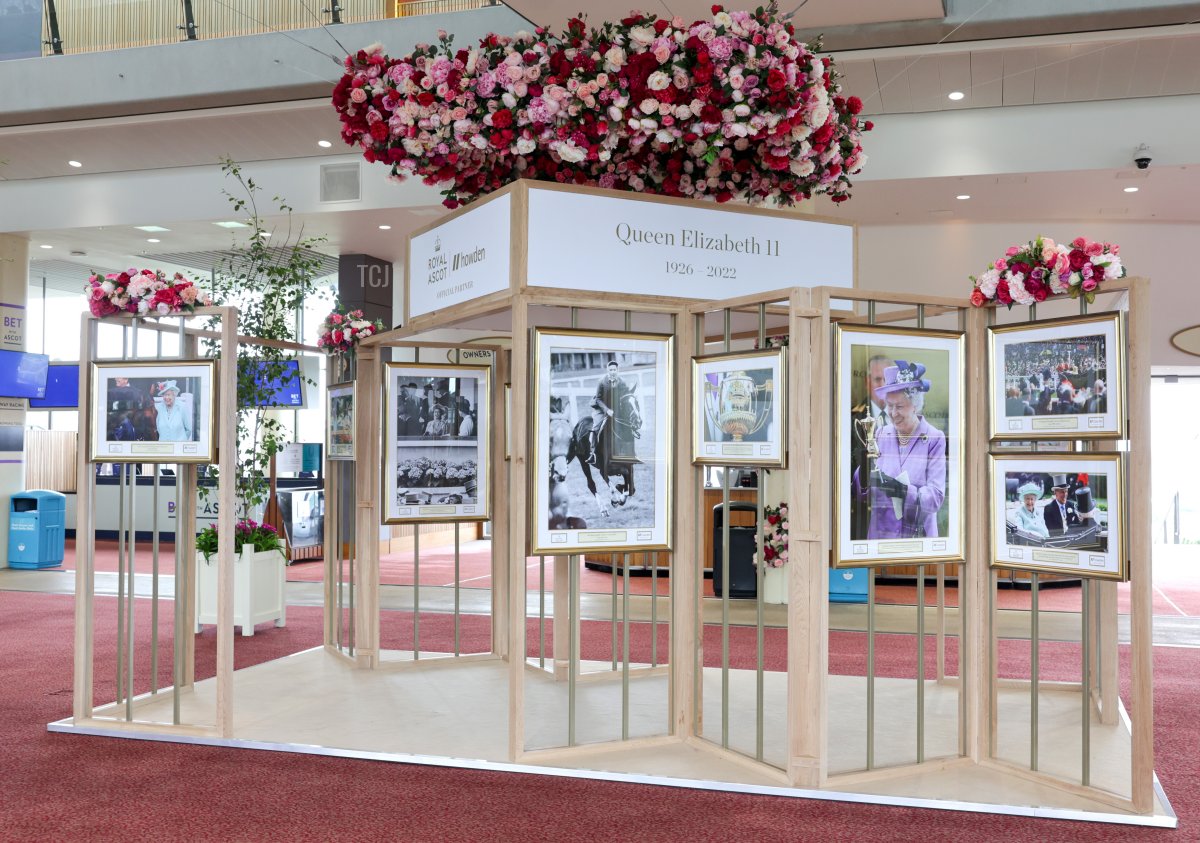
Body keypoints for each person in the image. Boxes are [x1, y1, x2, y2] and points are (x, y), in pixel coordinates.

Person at [854, 360, 946, 540]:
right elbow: (862, 494)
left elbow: (935, 498)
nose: (893, 413)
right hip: (882, 534)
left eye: (900, 406)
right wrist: (862, 474)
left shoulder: (934, 439)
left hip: (916, 535)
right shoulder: (880, 433)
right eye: (889, 405)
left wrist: (902, 490)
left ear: (915, 405)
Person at [849, 354, 893, 537]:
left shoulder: (905, 416)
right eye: (877, 379)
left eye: (887, 379)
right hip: (864, 509)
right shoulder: (853, 418)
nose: (882, 384)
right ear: (868, 382)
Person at [587, 358, 633, 465]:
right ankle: (592, 453)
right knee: (596, 427)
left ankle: (628, 451)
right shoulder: (602, 381)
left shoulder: (621, 381)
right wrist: (607, 410)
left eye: (614, 370)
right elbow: (598, 399)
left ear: (617, 370)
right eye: (610, 370)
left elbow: (625, 395)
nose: (613, 372)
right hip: (602, 409)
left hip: (617, 409)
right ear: (608, 371)